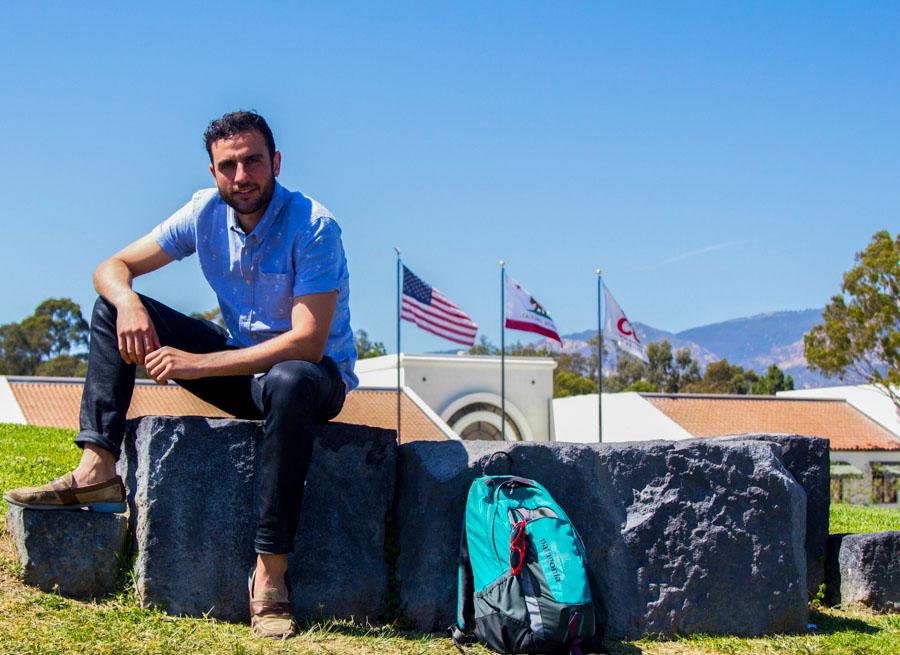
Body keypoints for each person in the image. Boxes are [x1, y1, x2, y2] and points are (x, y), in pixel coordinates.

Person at [3, 110, 357, 640]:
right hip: (243, 365)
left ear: (276, 162)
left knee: (289, 378)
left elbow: (306, 343)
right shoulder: (204, 212)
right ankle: (96, 469)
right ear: (213, 172)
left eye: (253, 161)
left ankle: (270, 573)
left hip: (311, 381)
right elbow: (110, 268)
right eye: (228, 166)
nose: (242, 177)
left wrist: (196, 364)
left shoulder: (314, 225)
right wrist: (128, 302)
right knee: (109, 310)